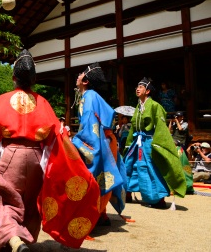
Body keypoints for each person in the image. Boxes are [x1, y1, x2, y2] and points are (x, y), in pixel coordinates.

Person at [0, 49, 101, 251]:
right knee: (29, 201)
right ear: (34, 80)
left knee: (7, 199)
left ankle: (13, 238)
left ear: (13, 77)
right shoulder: (43, 102)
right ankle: (25, 239)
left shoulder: (2, 100)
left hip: (11, 155)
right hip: (36, 157)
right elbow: (56, 136)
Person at [71, 62, 126, 225]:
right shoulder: (91, 96)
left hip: (98, 140)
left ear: (86, 81)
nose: (78, 76)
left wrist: (75, 141)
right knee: (100, 177)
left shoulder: (89, 97)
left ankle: (92, 215)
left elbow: (89, 125)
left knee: (91, 178)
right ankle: (101, 214)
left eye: (81, 74)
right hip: (104, 140)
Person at [123, 78, 186, 208]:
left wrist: (159, 142)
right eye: (137, 86)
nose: (137, 88)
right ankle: (128, 192)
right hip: (137, 141)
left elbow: (161, 127)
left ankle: (158, 198)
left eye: (141, 87)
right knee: (130, 164)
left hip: (148, 141)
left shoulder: (155, 106)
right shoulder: (138, 107)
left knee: (151, 167)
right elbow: (134, 128)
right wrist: (129, 143)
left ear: (148, 91)